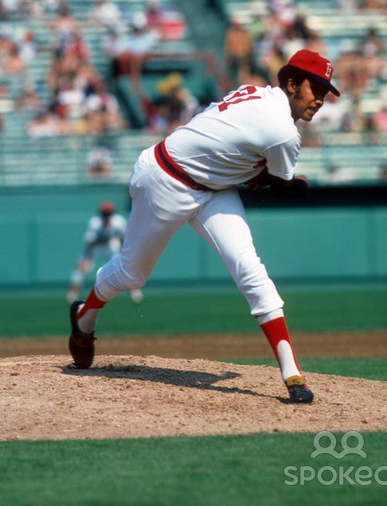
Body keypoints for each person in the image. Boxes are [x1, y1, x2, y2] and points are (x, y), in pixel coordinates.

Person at [68, 49, 341, 404]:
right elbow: (284, 188)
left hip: (214, 188)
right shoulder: (283, 133)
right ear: (291, 84)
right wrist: (297, 185)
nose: (319, 99)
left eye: (325, 92)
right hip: (166, 178)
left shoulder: (255, 91)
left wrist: (252, 173)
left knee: (250, 268)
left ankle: (292, 373)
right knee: (132, 273)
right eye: (314, 88)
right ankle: (84, 316)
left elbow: (225, 140)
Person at [67, 202, 143, 304]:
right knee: (81, 268)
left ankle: (134, 291)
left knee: (122, 267)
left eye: (108, 213)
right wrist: (86, 258)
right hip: (96, 246)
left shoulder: (118, 221)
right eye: (105, 214)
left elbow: (124, 239)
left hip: (110, 244)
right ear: (101, 213)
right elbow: (89, 242)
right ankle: (73, 293)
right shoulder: (95, 223)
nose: (106, 216)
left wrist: (123, 254)